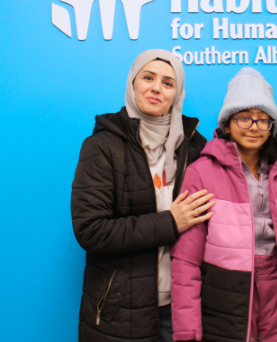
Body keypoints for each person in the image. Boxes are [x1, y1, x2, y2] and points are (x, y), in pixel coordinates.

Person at [71, 49, 215, 342]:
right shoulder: (102, 147)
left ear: (177, 93)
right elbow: (91, 230)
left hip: (184, 306)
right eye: (148, 77)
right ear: (133, 83)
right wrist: (170, 222)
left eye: (168, 82)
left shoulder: (195, 147)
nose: (156, 88)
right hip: (120, 310)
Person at [170, 68, 277, 342]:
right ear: (227, 124)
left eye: (263, 120)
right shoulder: (201, 172)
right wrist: (187, 332)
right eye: (244, 118)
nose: (254, 127)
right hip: (225, 300)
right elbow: (186, 261)